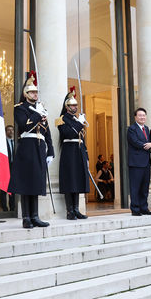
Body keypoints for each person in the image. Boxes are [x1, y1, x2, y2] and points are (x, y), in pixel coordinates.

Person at [8, 71, 54, 228]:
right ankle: (26, 217)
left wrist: (51, 151)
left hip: (40, 147)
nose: (35, 94)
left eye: (36, 92)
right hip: (27, 146)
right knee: (26, 182)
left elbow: (47, 131)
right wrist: (37, 114)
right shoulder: (20, 108)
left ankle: (35, 215)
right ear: (26, 93)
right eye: (32, 92)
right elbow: (24, 125)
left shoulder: (41, 109)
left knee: (36, 182)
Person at [57, 87, 90, 220]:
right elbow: (69, 133)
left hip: (79, 150)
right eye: (72, 105)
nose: (75, 107)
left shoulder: (77, 119)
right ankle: (69, 210)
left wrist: (86, 155)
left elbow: (82, 138)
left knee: (77, 180)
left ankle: (76, 209)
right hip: (69, 150)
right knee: (70, 180)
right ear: (67, 106)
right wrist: (80, 123)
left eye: (76, 105)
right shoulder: (62, 119)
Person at [127, 107, 151, 216]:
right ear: (135, 117)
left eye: (144, 115)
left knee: (144, 187)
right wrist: (149, 146)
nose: (142, 117)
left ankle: (144, 208)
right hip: (136, 162)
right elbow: (135, 142)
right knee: (135, 187)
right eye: (140, 115)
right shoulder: (132, 129)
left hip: (146, 162)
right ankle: (135, 209)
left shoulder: (146, 129)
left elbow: (149, 142)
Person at [0, 125, 16, 213]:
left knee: (13, 188)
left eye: (12, 130)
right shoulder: (2, 143)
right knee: (4, 189)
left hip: (14, 167)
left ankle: (12, 208)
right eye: (8, 130)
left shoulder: (16, 142)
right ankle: (4, 208)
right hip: (4, 167)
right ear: (5, 132)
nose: (11, 132)